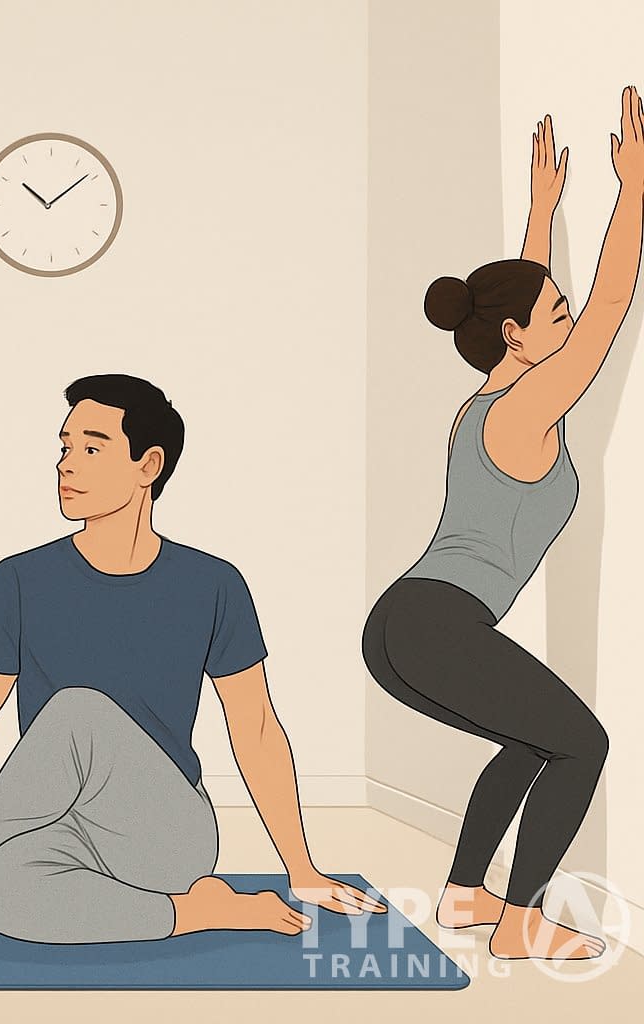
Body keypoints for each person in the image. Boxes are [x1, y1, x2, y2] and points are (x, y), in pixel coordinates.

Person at [0, 373, 387, 952]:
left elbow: (257, 729)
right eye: (64, 448)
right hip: (60, 829)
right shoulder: (16, 581)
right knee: (3, 895)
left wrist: (301, 867)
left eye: (92, 448)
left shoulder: (212, 584)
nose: (67, 465)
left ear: (149, 466)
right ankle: (203, 912)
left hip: (166, 833)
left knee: (77, 711)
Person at [362, 89, 644, 961]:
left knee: (534, 737)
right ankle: (522, 926)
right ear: (520, 340)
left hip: (409, 625)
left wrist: (542, 212)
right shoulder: (526, 409)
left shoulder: (493, 392)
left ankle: (463, 896)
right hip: (435, 621)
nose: (564, 324)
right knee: (582, 743)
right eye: (546, 318)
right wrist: (632, 188)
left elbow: (526, 304)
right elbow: (603, 312)